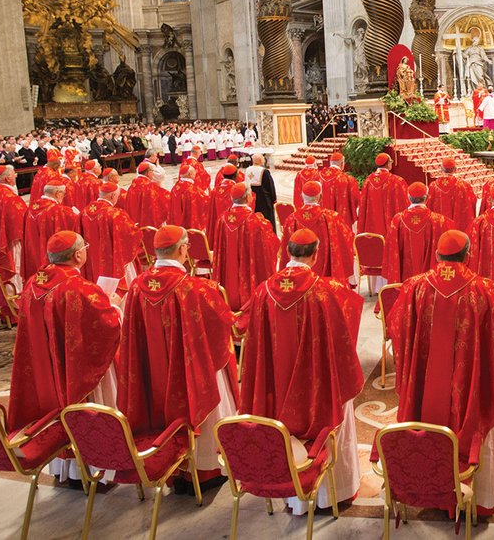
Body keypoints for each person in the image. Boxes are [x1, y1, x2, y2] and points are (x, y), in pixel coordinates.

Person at [387, 230, 494, 514]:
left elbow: (396, 328)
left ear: (437, 256)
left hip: (424, 390)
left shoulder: (415, 288)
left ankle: (426, 488)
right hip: (471, 389)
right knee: (478, 416)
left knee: (423, 415)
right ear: (468, 255)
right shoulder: (485, 290)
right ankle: (480, 498)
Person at [239, 228, 364, 512]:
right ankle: (333, 493)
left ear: (287, 252)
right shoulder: (326, 291)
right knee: (336, 409)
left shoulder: (263, 291)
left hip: (276, 387)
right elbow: (343, 340)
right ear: (316, 254)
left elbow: (255, 344)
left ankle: (291, 495)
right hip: (318, 384)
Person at [118, 225, 237, 478]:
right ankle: (205, 466)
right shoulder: (196, 288)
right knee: (210, 382)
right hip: (190, 371)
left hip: (152, 370)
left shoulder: (137, 286)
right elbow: (222, 326)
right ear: (183, 249)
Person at [8, 232, 122, 479]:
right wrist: (113, 304)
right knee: (87, 407)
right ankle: (96, 467)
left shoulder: (33, 282)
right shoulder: (78, 287)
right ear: (78, 255)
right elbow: (107, 326)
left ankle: (65, 470)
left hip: (45, 366)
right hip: (75, 370)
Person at [212, 183, 279, 316]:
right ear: (249, 197)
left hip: (227, 281)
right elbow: (272, 246)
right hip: (249, 277)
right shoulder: (257, 222)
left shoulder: (222, 220)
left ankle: (227, 297)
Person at [279, 181, 355, 287]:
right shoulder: (332, 217)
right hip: (327, 280)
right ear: (320, 197)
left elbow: (284, 247)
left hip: (298, 279)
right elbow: (347, 239)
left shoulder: (291, 219)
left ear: (301, 196)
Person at [384, 183, 454, 287]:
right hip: (431, 286)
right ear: (427, 198)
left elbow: (391, 249)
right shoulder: (440, 221)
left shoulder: (397, 220)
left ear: (408, 197)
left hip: (404, 281)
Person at [80, 182, 142, 290]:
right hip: (112, 258)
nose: (117, 199)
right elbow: (132, 234)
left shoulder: (84, 212)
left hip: (91, 259)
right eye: (117, 196)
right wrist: (135, 228)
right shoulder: (115, 214)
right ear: (113, 195)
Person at [21, 177, 81, 282]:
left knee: (36, 274)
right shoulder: (58, 210)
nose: (64, 196)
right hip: (50, 256)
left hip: (32, 252)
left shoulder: (30, 208)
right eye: (64, 193)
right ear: (58, 193)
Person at [358, 153, 408, 238]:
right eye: (391, 162)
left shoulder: (368, 181)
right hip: (390, 227)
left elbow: (362, 204)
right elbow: (405, 203)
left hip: (371, 227)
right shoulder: (396, 181)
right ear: (388, 164)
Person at [427, 157, 477, 232]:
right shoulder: (464, 185)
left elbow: (428, 205)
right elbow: (473, 202)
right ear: (455, 169)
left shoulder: (433, 186)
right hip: (458, 230)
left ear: (441, 169)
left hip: (439, 229)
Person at [123, 161, 170, 229]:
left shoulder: (133, 185)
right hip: (148, 220)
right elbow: (165, 198)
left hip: (135, 219)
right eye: (152, 171)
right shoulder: (150, 186)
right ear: (148, 172)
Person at [318, 152, 360, 227]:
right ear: (342, 164)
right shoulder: (347, 179)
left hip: (322, 219)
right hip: (341, 221)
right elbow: (355, 199)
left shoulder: (318, 176)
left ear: (330, 163)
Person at [168, 162, 210, 231]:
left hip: (176, 223)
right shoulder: (193, 190)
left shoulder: (175, 187)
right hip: (189, 224)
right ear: (190, 174)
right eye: (194, 172)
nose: (195, 174)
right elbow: (206, 203)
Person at [246, 153, 278, 230]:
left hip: (251, 199)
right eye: (263, 158)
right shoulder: (264, 171)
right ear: (260, 160)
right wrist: (274, 199)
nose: (264, 160)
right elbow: (270, 186)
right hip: (264, 200)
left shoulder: (247, 170)